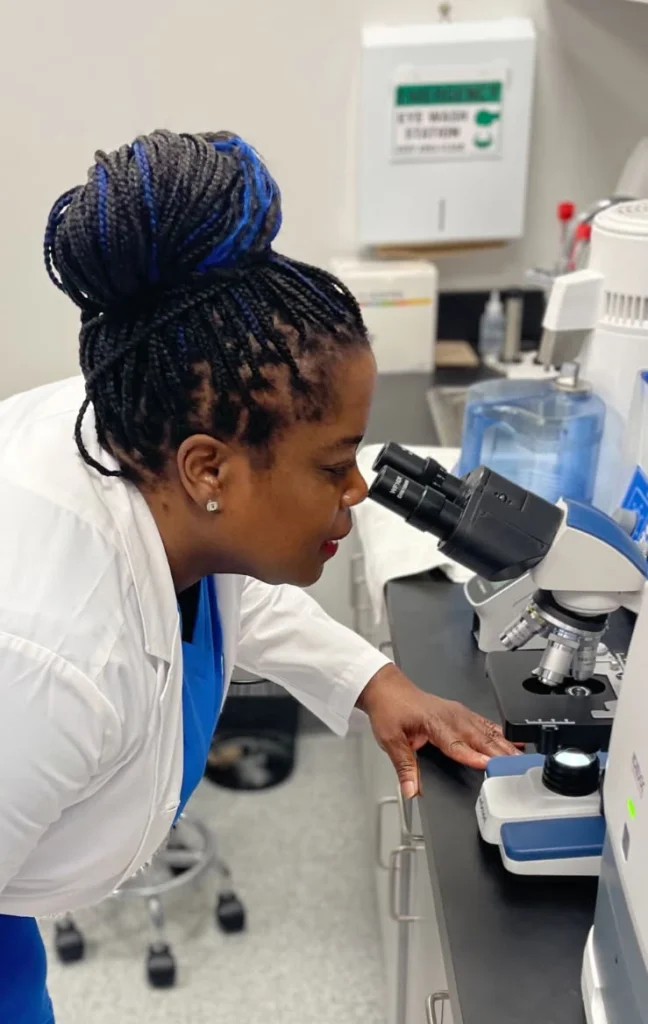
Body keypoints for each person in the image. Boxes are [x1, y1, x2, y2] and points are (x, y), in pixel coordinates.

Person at [0, 130, 517, 1021]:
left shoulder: (146, 438)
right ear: (209, 470)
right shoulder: (49, 664)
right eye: (333, 466)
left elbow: (222, 591)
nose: (358, 490)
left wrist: (374, 680)